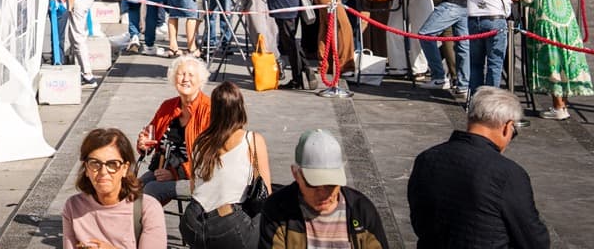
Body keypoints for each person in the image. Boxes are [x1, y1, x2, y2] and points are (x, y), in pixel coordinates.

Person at [407, 87, 549, 249]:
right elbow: (533, 239)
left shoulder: (427, 158)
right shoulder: (507, 173)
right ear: (507, 127)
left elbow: (419, 220)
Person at [259, 129, 388, 249]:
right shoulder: (277, 210)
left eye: (331, 184)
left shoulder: (361, 211)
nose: (323, 193)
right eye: (313, 184)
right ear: (296, 174)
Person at [179, 82, 271, 249]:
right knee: (264, 213)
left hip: (192, 221)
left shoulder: (200, 141)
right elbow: (266, 193)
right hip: (228, 223)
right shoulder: (253, 140)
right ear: (240, 108)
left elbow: (194, 186)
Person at [63, 127, 167, 249]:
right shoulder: (73, 207)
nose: (103, 171)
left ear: (124, 168)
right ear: (86, 168)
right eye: (95, 163)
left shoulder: (147, 208)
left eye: (112, 164)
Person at [523, 0, 594, 120]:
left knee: (553, 62)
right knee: (564, 61)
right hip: (567, 23)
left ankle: (558, 107)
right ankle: (563, 105)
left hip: (548, 23)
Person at [137, 56, 212, 204]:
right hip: (162, 169)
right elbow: (150, 137)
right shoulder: (167, 106)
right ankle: (131, 227)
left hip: (198, 177)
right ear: (174, 78)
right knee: (132, 189)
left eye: (191, 75)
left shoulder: (209, 111)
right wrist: (143, 144)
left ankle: (149, 226)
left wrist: (174, 174)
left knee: (151, 191)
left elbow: (210, 157)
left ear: (200, 80)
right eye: (181, 74)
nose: (185, 79)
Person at [465, 0, 520, 94]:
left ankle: (475, 99)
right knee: (494, 63)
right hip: (496, 19)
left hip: (474, 18)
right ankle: (490, 101)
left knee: (476, 64)